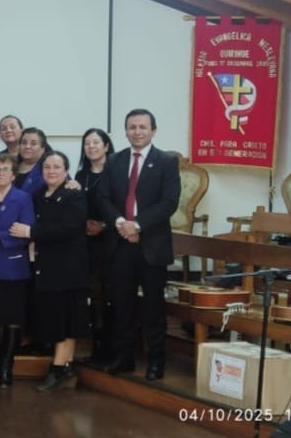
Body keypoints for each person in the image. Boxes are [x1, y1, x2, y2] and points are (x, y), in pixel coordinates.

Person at [97, 109, 180, 381]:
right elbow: (103, 198)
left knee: (153, 307)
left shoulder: (166, 162)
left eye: (143, 127)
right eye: (132, 127)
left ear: (153, 130)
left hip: (152, 245)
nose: (137, 132)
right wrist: (122, 223)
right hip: (120, 243)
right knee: (122, 305)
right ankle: (124, 358)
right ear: (126, 131)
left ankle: (156, 361)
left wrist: (138, 225)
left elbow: (169, 202)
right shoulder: (114, 161)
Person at [9, 151, 89, 391]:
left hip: (68, 267)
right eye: (47, 167)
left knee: (66, 318)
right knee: (56, 317)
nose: (51, 171)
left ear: (66, 170)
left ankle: (59, 367)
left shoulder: (74, 196)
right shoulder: (38, 195)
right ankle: (65, 364)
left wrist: (30, 232)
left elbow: (68, 228)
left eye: (57, 167)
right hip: (45, 266)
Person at [0, 153, 34, 389]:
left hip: (13, 267)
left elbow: (26, 232)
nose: (0, 173)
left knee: (12, 319)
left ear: (13, 175)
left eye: (5, 169)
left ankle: (6, 368)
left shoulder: (22, 198)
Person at [74, 128, 115, 363]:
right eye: (87, 143)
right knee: (93, 294)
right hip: (86, 242)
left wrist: (104, 226)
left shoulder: (117, 173)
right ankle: (97, 347)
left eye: (96, 142)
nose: (91, 147)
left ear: (106, 146)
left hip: (112, 240)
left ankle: (111, 348)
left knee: (110, 294)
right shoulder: (80, 176)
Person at [14, 127, 51, 197]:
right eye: (24, 143)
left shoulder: (50, 168)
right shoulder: (11, 166)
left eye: (33, 143)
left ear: (42, 149)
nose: (27, 146)